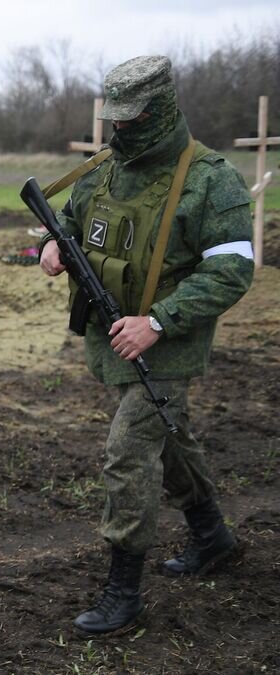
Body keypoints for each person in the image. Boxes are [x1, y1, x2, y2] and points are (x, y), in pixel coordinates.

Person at [38, 55, 254, 635]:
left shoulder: (212, 180)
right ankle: (211, 534)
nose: (121, 127)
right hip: (112, 332)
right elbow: (71, 222)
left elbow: (231, 271)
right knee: (168, 432)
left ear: (161, 107)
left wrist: (158, 321)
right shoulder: (103, 169)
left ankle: (123, 592)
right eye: (116, 116)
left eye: (132, 116)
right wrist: (51, 247)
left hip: (170, 338)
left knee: (129, 451)